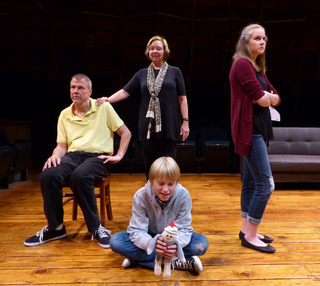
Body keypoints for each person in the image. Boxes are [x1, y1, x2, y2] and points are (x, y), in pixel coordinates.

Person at [24, 73, 131, 249]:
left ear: (90, 91)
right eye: (73, 87)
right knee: (47, 175)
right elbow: (61, 147)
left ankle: (96, 228)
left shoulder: (103, 107)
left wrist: (118, 156)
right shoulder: (64, 114)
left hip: (98, 156)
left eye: (80, 88)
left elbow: (126, 133)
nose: (76, 91)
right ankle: (55, 228)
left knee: (80, 176)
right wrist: (54, 156)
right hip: (72, 156)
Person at [97, 35, 190, 177]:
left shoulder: (175, 72)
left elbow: (182, 99)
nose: (155, 51)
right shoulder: (142, 74)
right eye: (152, 48)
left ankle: (168, 196)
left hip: (169, 126)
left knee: (168, 167)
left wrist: (185, 122)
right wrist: (108, 100)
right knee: (150, 168)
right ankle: (151, 197)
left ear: (165, 52)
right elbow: (124, 92)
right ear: (148, 52)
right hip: (148, 127)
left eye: (159, 48)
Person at [229, 24, 281, 253]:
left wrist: (265, 97)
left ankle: (246, 230)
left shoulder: (257, 68)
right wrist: (265, 97)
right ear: (246, 42)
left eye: (264, 38)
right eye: (257, 38)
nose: (262, 42)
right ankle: (250, 236)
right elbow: (260, 99)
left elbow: (275, 98)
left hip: (258, 129)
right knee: (266, 184)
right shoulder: (242, 64)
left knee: (250, 182)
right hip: (249, 131)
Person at [109, 156, 208, 274]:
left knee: (201, 244)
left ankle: (138, 259)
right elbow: (137, 230)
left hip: (173, 240)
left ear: (177, 182)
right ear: (151, 181)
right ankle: (175, 261)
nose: (165, 189)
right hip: (149, 236)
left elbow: (184, 228)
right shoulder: (140, 196)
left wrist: (175, 245)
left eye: (171, 184)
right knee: (116, 241)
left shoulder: (183, 195)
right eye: (160, 183)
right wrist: (151, 243)